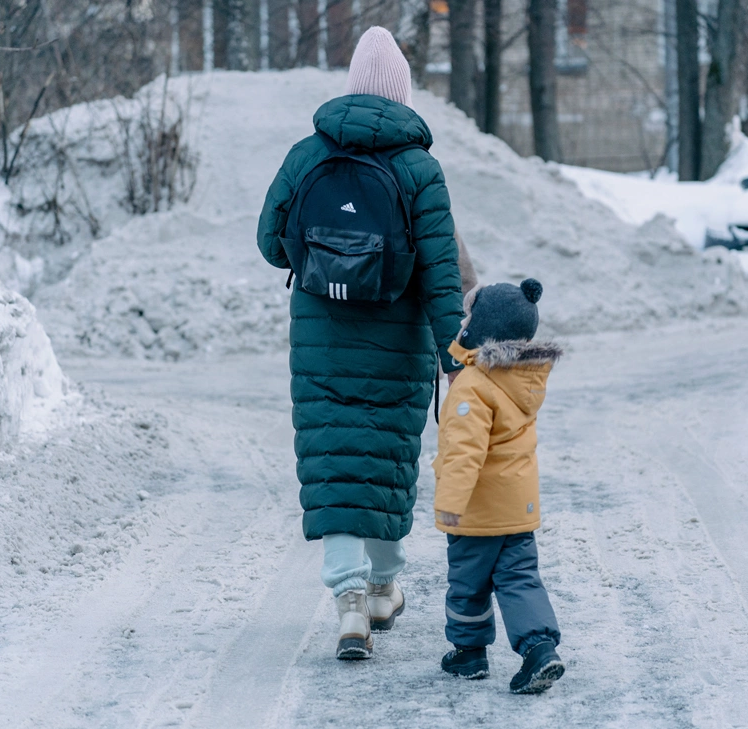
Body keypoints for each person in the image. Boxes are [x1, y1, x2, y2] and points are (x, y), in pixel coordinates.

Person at [256, 26, 464, 660]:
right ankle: (382, 588)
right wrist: (452, 352)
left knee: (334, 467)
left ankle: (347, 605)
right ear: (401, 96)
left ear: (350, 89)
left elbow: (270, 244)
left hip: (319, 341)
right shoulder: (419, 168)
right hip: (394, 345)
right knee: (383, 467)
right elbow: (442, 273)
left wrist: (323, 260)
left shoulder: (306, 155)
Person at [433, 278, 566, 694]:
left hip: (478, 512)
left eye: (470, 316)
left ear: (482, 328)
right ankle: (539, 648)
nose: (463, 321)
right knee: (521, 578)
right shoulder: (521, 378)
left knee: (468, 583)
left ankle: (469, 653)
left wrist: (450, 503)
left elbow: (464, 452)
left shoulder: (473, 385)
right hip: (518, 509)